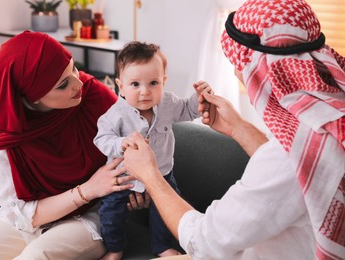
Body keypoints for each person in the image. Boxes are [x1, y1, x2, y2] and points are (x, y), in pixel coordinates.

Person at [123, 0, 345, 259]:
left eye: (239, 65)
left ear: (261, 69)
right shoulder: (327, 122)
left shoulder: (286, 157)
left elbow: (203, 241)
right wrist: (239, 128)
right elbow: (299, 173)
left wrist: (150, 176)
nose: (238, 74)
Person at [0, 31, 148, 260]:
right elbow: (21, 213)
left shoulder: (94, 96)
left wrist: (143, 186)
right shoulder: (1, 133)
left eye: (73, 67)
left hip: (93, 215)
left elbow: (141, 143)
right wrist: (87, 190)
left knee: (34, 258)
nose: (79, 83)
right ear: (32, 96)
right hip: (29, 219)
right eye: (63, 84)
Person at [93, 41, 213, 260]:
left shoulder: (167, 103)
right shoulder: (115, 114)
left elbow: (187, 109)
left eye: (153, 83)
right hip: (124, 178)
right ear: (121, 85)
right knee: (111, 213)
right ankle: (115, 249)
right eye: (135, 84)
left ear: (164, 81)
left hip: (162, 174)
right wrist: (121, 143)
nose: (145, 92)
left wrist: (200, 98)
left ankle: (163, 247)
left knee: (166, 212)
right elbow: (101, 139)